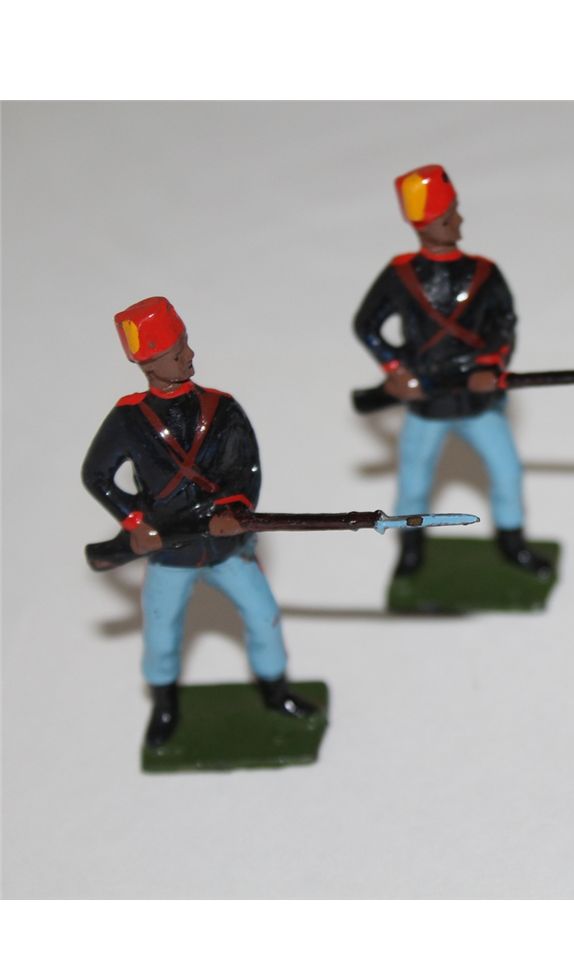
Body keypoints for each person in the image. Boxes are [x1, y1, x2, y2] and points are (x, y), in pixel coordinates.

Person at [82, 296, 317, 748]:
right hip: (169, 556)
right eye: (176, 352)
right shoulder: (128, 419)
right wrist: (135, 523)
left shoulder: (221, 408)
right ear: (149, 363)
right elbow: (96, 475)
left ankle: (275, 692)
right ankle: (165, 704)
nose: (189, 355)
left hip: (228, 549)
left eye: (185, 344)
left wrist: (235, 510)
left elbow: (247, 468)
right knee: (161, 631)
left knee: (264, 616)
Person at [353, 164, 549, 578]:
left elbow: (504, 324)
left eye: (454, 211)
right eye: (448, 216)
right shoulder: (400, 274)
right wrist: (397, 370)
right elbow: (366, 325)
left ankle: (512, 543)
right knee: (414, 483)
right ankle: (411, 549)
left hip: (478, 402)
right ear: (426, 225)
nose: (459, 220)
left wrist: (490, 364)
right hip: (426, 405)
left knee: (507, 473)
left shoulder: (485, 272)